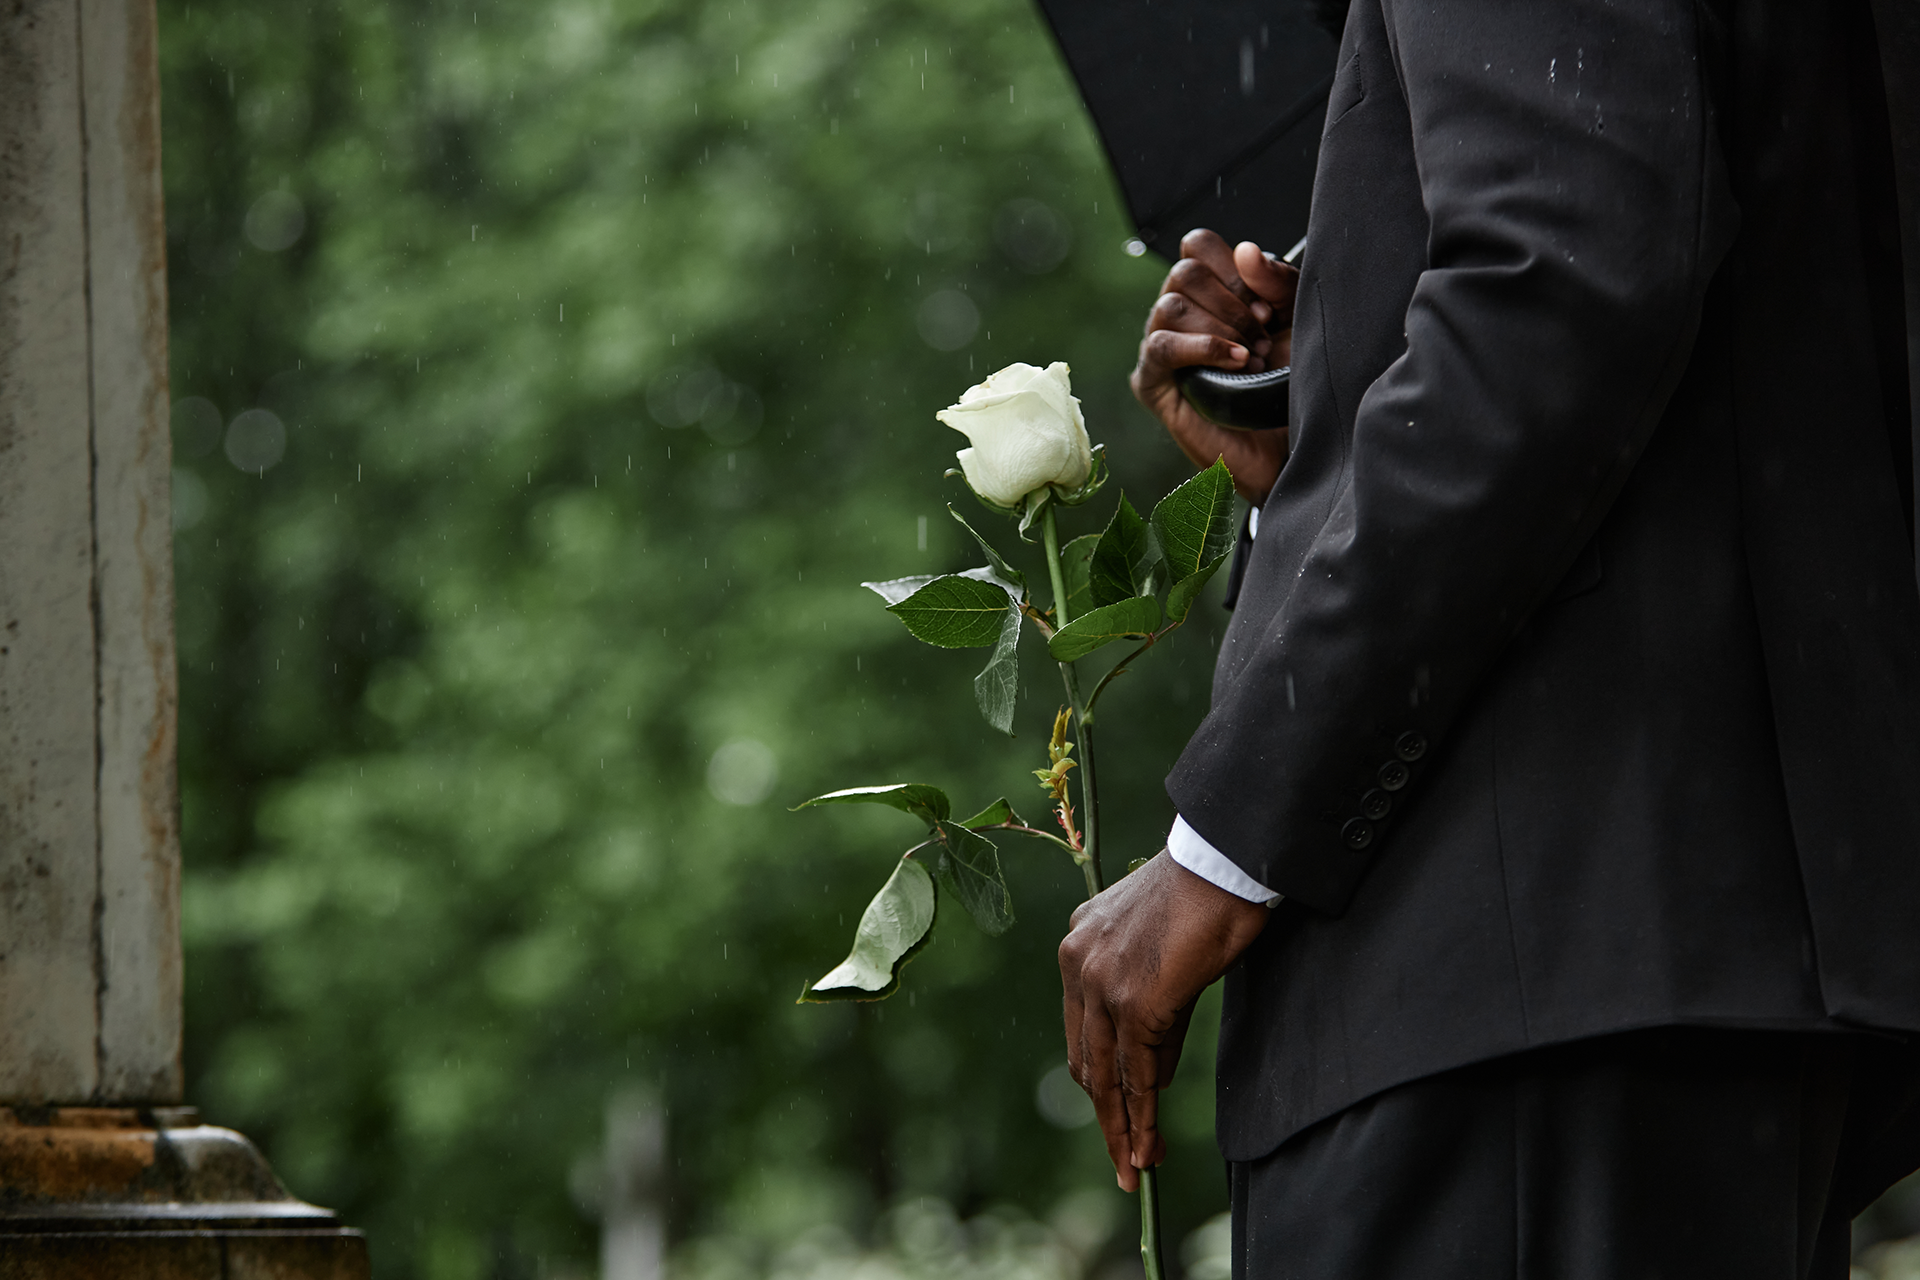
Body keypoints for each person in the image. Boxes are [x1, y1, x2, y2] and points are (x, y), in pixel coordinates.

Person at [1057, 0, 1920, 1274]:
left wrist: (1228, 840)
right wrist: (1331, 425)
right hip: (1646, 973)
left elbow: (1558, 276)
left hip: (1514, 992)